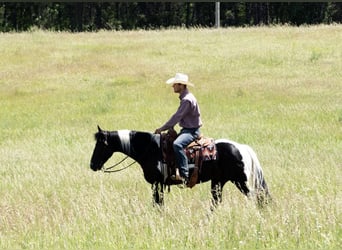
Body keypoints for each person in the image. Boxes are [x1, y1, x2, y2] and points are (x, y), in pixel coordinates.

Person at [155, 73, 202, 186]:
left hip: (191, 131)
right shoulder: (186, 98)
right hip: (187, 130)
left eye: (175, 84)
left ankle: (184, 175)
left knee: (177, 144)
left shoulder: (187, 100)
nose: (173, 86)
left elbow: (177, 117)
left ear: (181, 85)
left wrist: (162, 128)